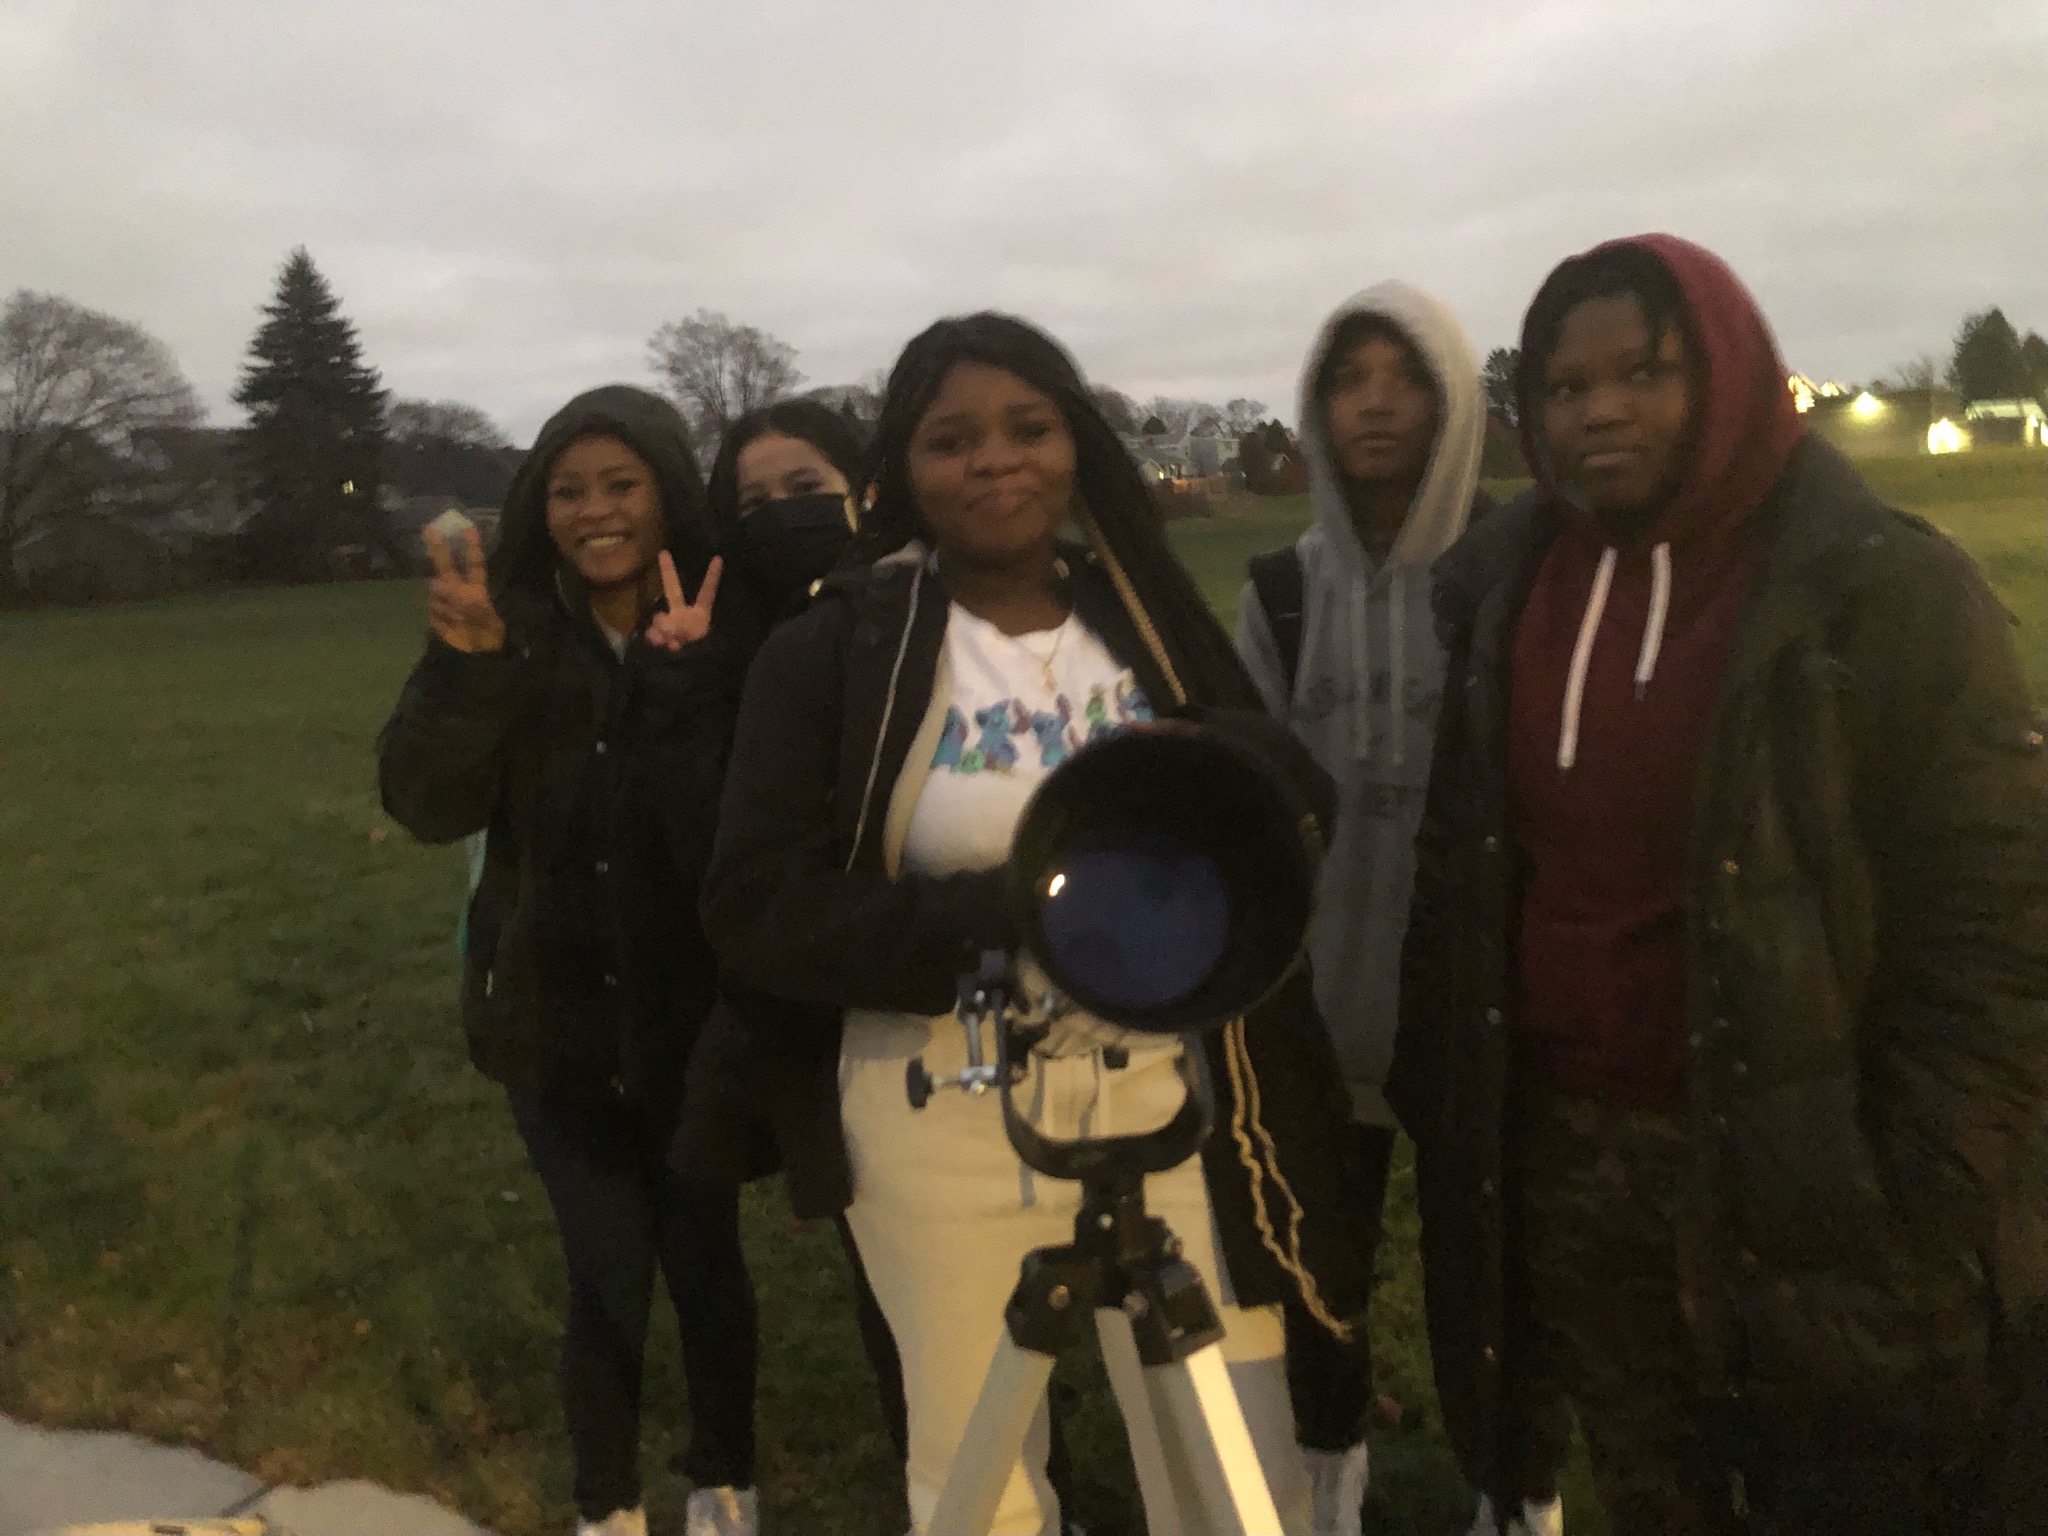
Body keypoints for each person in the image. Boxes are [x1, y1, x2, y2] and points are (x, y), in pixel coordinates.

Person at [1388, 234, 2048, 1534]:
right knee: (1654, 1484)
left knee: (1844, 1493)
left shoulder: (1884, 590)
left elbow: (1998, 916)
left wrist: (1913, 1181)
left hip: (1805, 1161)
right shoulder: (1505, 588)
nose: (1601, 409)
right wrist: (1450, 1092)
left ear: (1734, 370)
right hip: (1575, 1160)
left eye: (1645, 369)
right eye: (1567, 388)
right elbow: (1464, 863)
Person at [698, 312, 1380, 1536]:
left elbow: (1288, 803)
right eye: (952, 439)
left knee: (1231, 1476)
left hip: (1170, 1102)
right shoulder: (838, 645)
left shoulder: (1147, 616)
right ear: (900, 469)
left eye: (1028, 429)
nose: (996, 461)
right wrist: (1011, 917)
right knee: (975, 1482)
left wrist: (1222, 777)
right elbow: (754, 906)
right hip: (938, 1108)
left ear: (1075, 445)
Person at [377, 385, 764, 1536]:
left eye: (621, 485)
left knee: (703, 1263)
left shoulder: (726, 627)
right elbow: (424, 805)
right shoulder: (503, 630)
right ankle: (604, 1503)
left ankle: (724, 1481)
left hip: (692, 1023)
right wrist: (464, 671)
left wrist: (689, 682)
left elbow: (740, 835)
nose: (595, 512)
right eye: (567, 490)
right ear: (538, 507)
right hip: (550, 1023)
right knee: (604, 1272)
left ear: (666, 495)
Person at [1236, 281, 1561, 1536]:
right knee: (1314, 1267)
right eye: (1347, 378)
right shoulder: (1276, 588)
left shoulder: (1513, 570)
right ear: (1317, 407)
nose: (1374, 402)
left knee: (1493, 1278)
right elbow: (1249, 801)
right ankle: (1328, 1480)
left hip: (1478, 995)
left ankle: (1515, 1492)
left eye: (1402, 375)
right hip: (1315, 1003)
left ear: (1449, 400)